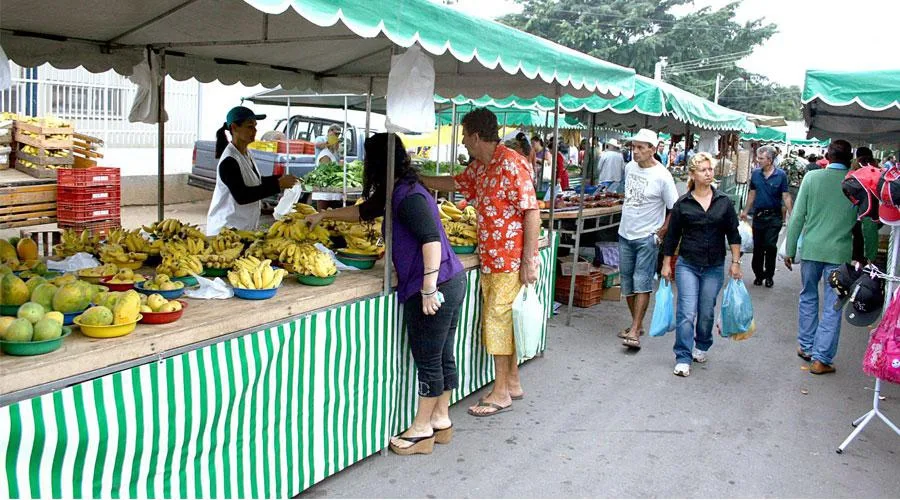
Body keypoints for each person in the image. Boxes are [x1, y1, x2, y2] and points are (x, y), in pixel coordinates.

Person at [306, 133, 467, 454]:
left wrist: (428, 288)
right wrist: (324, 215)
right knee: (442, 354)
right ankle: (440, 419)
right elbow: (365, 211)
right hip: (452, 279)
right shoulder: (397, 190)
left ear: (377, 163)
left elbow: (431, 240)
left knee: (429, 358)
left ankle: (421, 431)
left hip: (435, 284)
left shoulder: (408, 197)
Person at [420, 107, 541, 417]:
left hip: (509, 260)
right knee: (503, 320)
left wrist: (529, 260)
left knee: (498, 323)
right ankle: (512, 382)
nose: (462, 142)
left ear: (476, 136)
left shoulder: (513, 165)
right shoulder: (481, 168)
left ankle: (500, 393)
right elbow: (456, 183)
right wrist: (418, 178)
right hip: (490, 256)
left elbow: (532, 212)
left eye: (464, 136)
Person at [784, 140, 860, 375]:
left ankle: (807, 347)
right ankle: (821, 358)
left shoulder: (812, 178)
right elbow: (866, 221)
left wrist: (790, 249)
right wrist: (865, 254)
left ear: (827, 156)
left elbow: (797, 216)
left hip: (811, 249)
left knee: (807, 296)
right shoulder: (855, 183)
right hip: (839, 253)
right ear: (850, 159)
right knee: (833, 304)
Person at [662, 153, 742, 377]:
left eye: (710, 169)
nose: (708, 173)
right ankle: (683, 356)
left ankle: (702, 344)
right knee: (686, 312)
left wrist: (735, 262)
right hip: (687, 264)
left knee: (706, 311)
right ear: (693, 174)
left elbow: (733, 235)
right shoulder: (683, 204)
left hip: (714, 266)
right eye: (703, 170)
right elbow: (672, 236)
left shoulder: (723, 202)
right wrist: (667, 263)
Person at [617, 129, 679, 349]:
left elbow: (674, 208)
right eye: (634, 147)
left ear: (653, 149)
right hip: (625, 233)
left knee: (641, 280)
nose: (636, 152)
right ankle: (637, 323)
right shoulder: (630, 167)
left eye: (641, 147)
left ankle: (634, 330)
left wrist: (661, 231)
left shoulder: (662, 176)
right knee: (626, 281)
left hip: (646, 236)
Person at [206, 106, 298, 236]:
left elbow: (255, 181)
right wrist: (278, 185)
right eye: (250, 127)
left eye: (255, 126)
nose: (254, 131)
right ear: (234, 128)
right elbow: (242, 195)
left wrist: (278, 178)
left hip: (242, 229)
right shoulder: (229, 160)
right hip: (226, 231)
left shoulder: (245, 154)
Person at [739, 145, 792, 288]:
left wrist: (791, 214)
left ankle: (769, 275)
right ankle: (758, 274)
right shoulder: (756, 174)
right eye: (758, 157)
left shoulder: (780, 175)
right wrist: (745, 211)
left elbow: (785, 196)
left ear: (770, 160)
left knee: (770, 246)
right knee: (758, 248)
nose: (758, 160)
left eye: (761, 158)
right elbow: (752, 194)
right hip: (759, 216)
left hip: (774, 216)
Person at [311, 124, 344, 210]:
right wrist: (330, 142)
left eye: (338, 134)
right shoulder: (321, 139)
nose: (337, 136)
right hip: (322, 175)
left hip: (332, 178)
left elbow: (337, 159)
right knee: (323, 203)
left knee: (330, 208)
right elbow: (318, 145)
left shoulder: (335, 149)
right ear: (329, 131)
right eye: (335, 133)